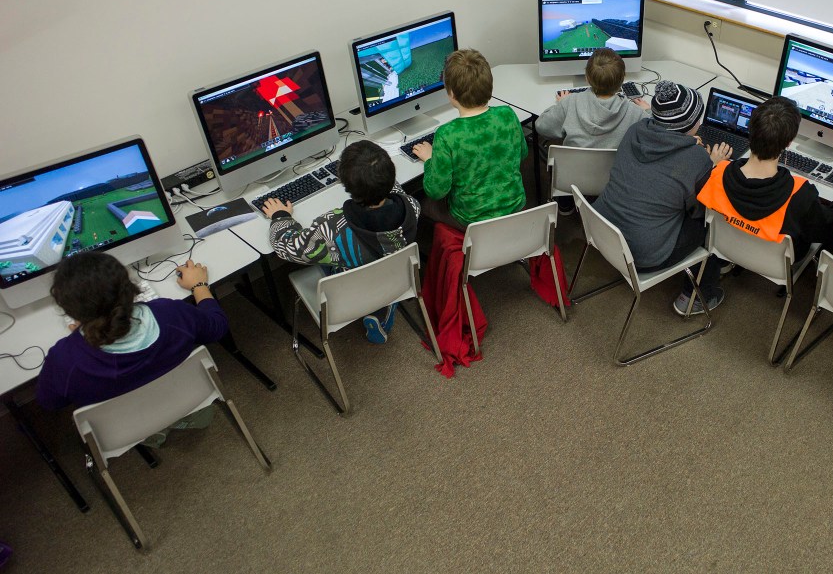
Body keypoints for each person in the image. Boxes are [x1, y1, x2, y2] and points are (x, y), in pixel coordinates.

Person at [37, 253, 226, 445]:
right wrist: (199, 286)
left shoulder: (65, 359)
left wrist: (81, 335)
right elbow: (217, 327)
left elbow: (50, 402)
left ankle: (154, 436)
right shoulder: (171, 314)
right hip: (192, 403)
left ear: (69, 311)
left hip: (127, 431)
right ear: (130, 289)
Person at [594, 80, 733, 315]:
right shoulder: (697, 160)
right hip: (644, 255)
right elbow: (698, 209)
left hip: (603, 231)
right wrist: (712, 165)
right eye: (697, 118)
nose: (700, 122)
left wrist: (687, 144)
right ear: (690, 125)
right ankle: (697, 295)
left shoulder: (635, 130)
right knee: (710, 221)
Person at [260, 140, 420, 344]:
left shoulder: (333, 227)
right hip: (394, 276)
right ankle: (383, 308)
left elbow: (287, 248)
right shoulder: (412, 207)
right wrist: (376, 178)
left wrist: (281, 216)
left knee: (323, 252)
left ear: (345, 185)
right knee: (376, 263)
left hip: (350, 288)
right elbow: (396, 192)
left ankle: (371, 304)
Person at [696, 96, 833, 257]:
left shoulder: (717, 171)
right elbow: (828, 227)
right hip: (776, 259)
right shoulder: (800, 194)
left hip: (726, 247)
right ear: (789, 142)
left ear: (750, 131)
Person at [413, 49, 527, 230]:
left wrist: (429, 160)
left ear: (451, 93)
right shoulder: (508, 115)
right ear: (490, 84)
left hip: (471, 219)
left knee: (424, 204)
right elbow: (522, 154)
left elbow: (436, 190)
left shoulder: (447, 134)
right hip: (515, 206)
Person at [535, 48, 650, 150]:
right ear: (623, 78)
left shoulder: (569, 103)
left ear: (587, 78)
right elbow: (657, 133)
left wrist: (562, 104)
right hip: (616, 172)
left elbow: (541, 126)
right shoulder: (636, 113)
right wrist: (647, 111)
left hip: (573, 172)